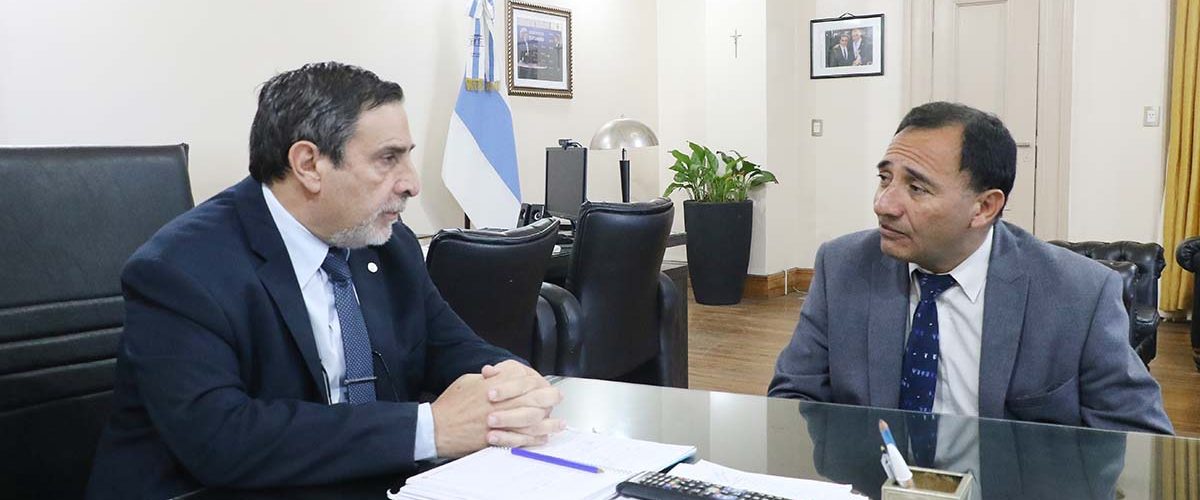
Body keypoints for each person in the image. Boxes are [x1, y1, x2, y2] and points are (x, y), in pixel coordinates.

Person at [86, 62, 564, 499]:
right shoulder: (181, 269)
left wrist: (511, 383)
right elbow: (222, 438)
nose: (411, 183)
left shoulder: (383, 243)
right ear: (309, 165)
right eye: (388, 159)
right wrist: (430, 428)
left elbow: (449, 345)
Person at [768, 101, 1172, 435]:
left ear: (984, 207)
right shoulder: (842, 266)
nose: (883, 204)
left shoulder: (1079, 293)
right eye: (885, 178)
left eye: (916, 188)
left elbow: (1141, 439)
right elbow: (792, 400)